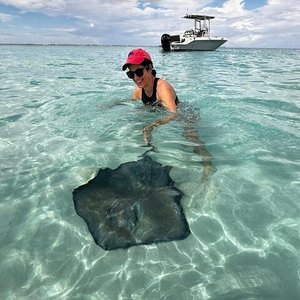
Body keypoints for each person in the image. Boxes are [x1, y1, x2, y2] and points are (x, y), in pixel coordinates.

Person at [122, 48, 215, 182]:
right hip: (161, 112)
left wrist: (152, 125)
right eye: (131, 74)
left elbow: (173, 114)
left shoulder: (162, 87)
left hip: (184, 114)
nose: (136, 77)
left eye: (139, 71)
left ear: (149, 68)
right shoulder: (138, 91)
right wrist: (112, 105)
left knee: (191, 139)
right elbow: (129, 103)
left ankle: (208, 165)